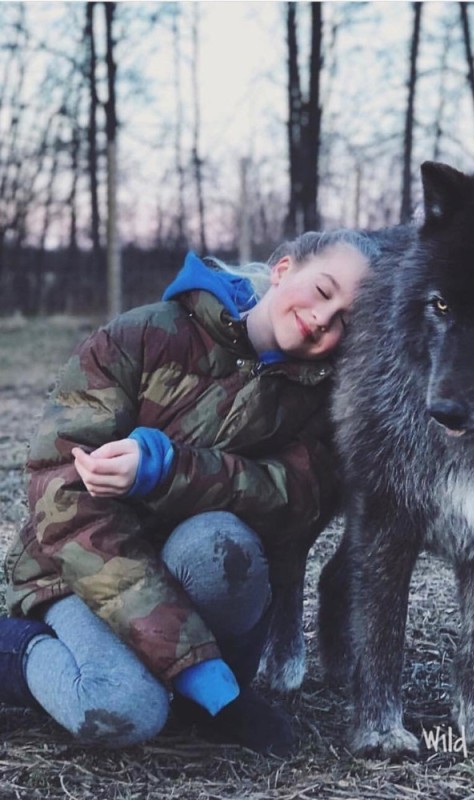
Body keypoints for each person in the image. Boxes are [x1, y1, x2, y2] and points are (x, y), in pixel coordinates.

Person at [0, 229, 375, 756]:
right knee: (126, 707)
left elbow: (293, 500)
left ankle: (198, 693)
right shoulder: (142, 336)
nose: (322, 319)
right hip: (78, 571)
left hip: (193, 566)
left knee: (220, 545)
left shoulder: (326, 404)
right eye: (322, 291)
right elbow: (61, 495)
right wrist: (198, 667)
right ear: (284, 269)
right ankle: (15, 651)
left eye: (346, 321)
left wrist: (169, 469)